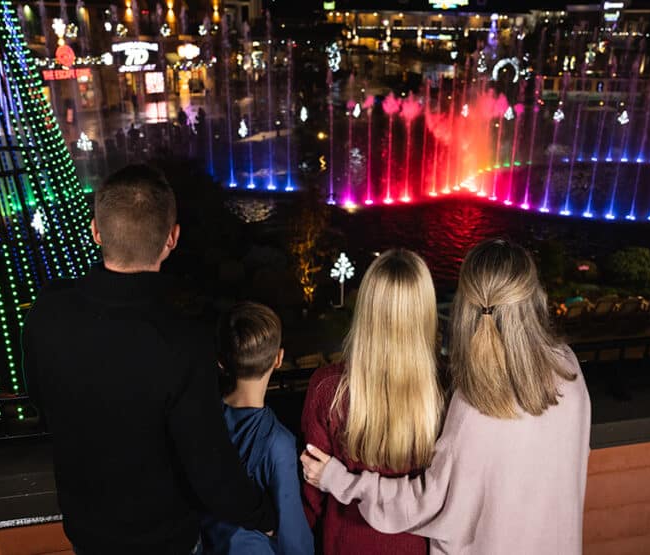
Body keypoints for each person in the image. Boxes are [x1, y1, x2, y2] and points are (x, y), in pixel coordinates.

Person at [23, 165, 275, 554]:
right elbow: (209, 468)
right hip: (164, 540)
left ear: (96, 231)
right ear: (171, 239)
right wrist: (265, 516)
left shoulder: (46, 315)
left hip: (86, 531)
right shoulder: (182, 342)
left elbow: (39, 399)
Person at [302, 238, 591, 555]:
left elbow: (428, 502)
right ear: (535, 295)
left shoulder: (475, 403)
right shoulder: (568, 368)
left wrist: (339, 480)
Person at [300, 249, 443, 555]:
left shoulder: (328, 388)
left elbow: (311, 493)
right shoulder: (444, 393)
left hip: (344, 542)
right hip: (414, 545)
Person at [200, 302, 313, 555]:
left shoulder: (201, 419)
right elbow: (292, 532)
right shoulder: (279, 443)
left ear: (221, 362)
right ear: (279, 359)